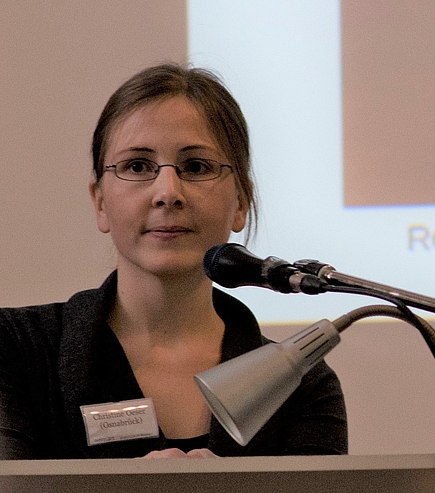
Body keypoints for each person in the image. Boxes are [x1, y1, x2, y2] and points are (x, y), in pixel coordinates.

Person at [0, 64, 347, 459]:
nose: (168, 193)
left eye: (196, 167)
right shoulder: (16, 348)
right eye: (137, 166)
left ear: (241, 203)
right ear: (100, 203)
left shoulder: (302, 385)